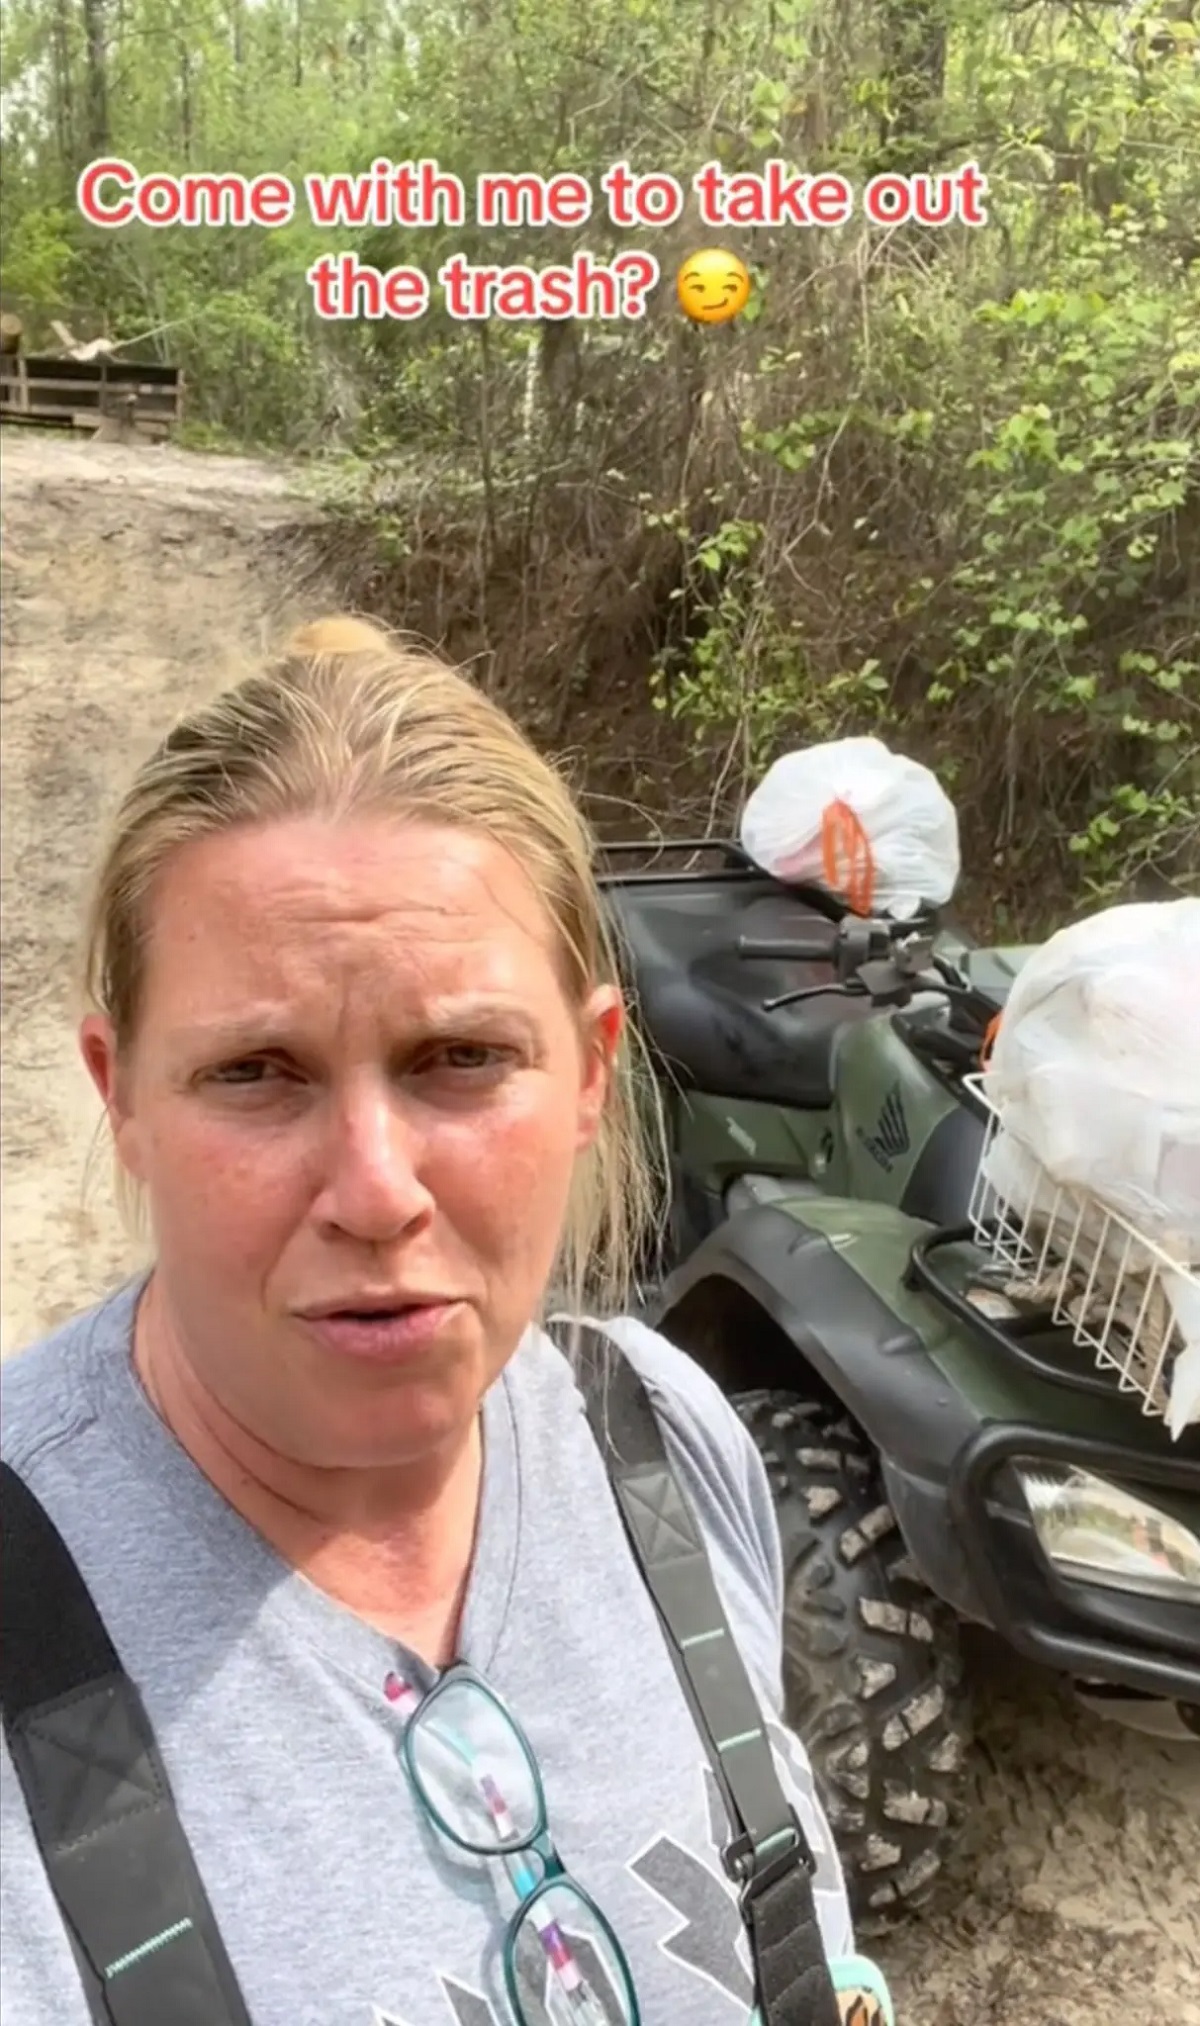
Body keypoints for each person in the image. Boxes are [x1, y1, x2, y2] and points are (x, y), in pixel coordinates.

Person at [0, 615, 895, 2026]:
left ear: (594, 1070)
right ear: (120, 1094)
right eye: (257, 1071)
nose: (374, 1188)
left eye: (461, 1057)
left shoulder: (662, 1441)